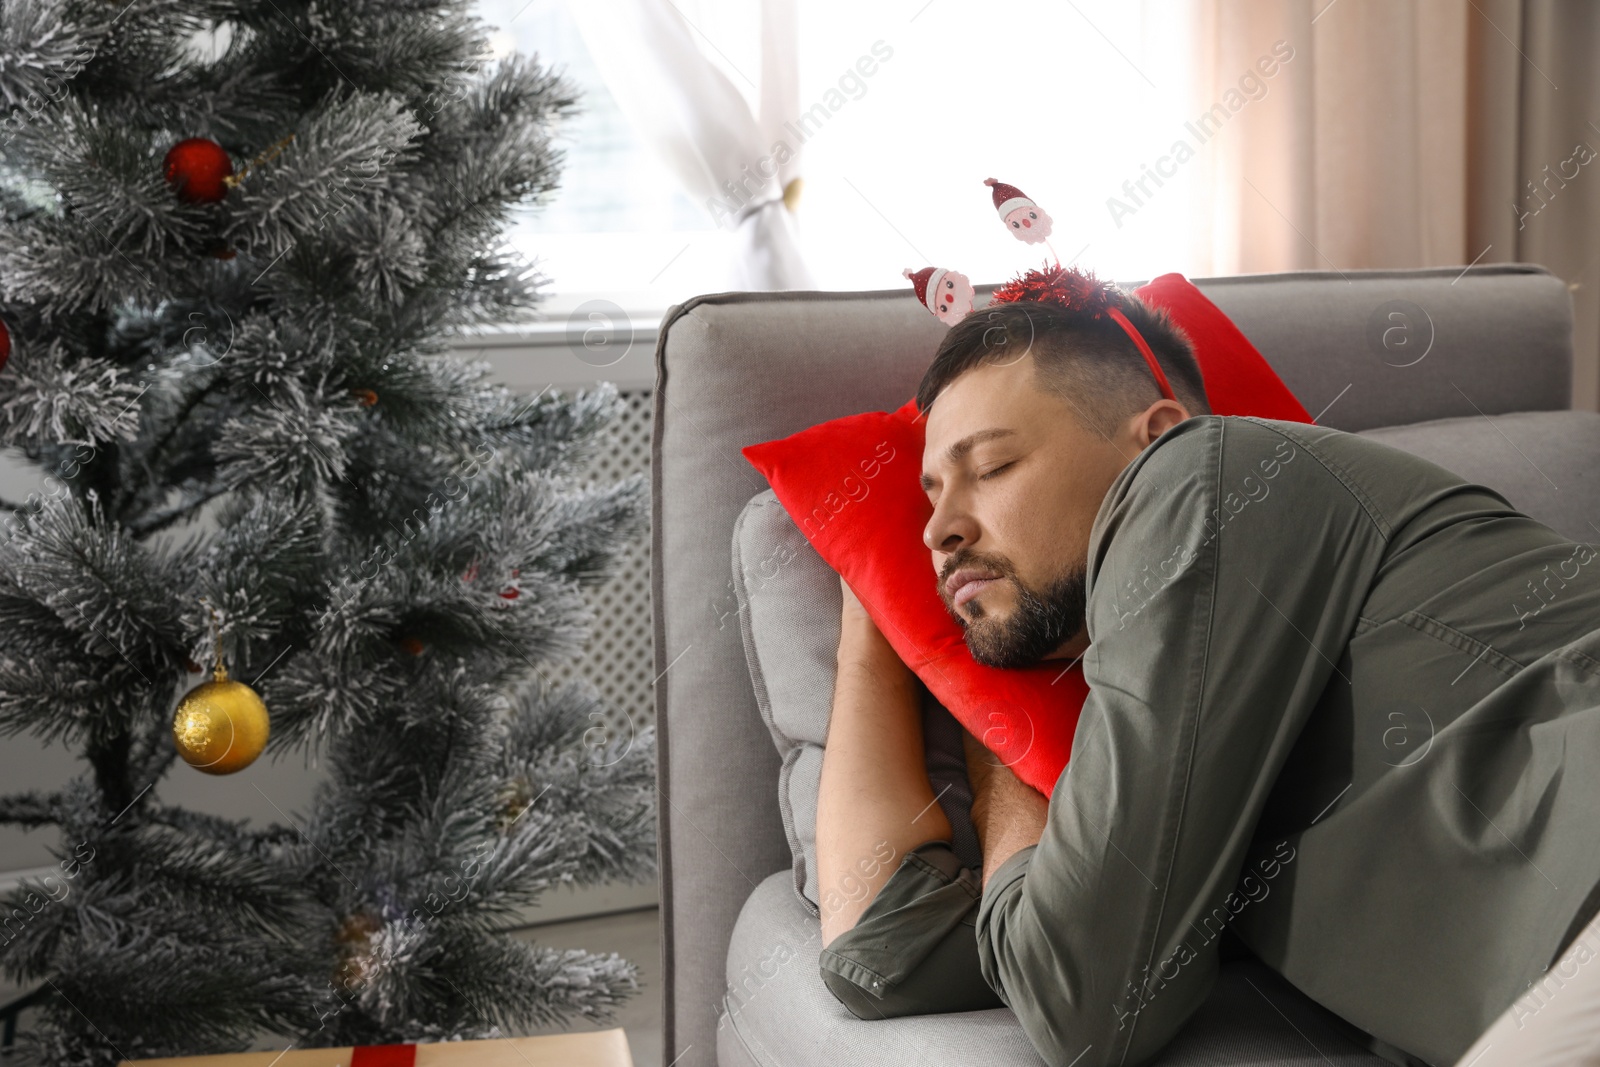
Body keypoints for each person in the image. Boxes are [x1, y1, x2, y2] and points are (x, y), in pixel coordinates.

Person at [811, 288, 1600, 1067]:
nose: (938, 530)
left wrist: (1001, 759)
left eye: (990, 465)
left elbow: (1080, 1007)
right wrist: (866, 614)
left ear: (1152, 434)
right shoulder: (1180, 721)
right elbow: (886, 951)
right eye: (928, 495)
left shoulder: (1203, 475)